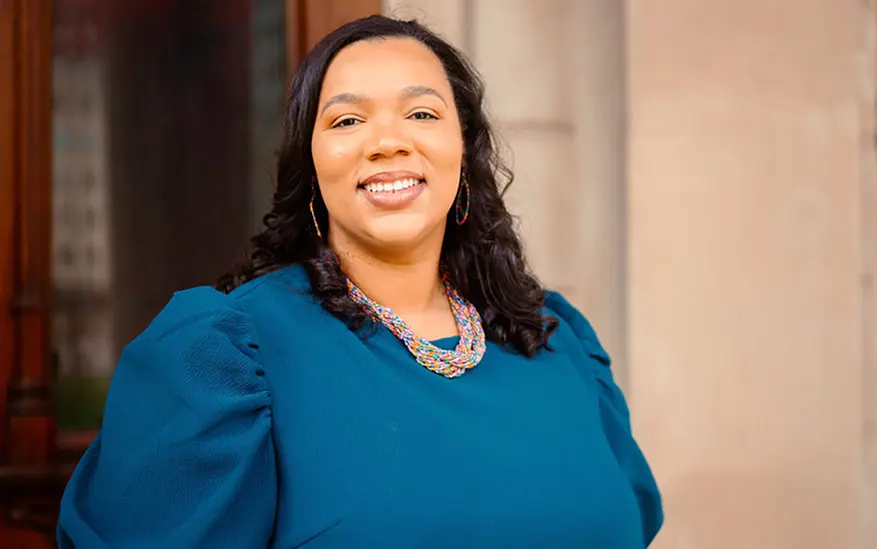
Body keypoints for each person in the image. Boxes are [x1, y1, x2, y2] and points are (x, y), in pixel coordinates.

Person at [57, 15, 662, 549]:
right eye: (347, 119)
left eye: (422, 113)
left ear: (463, 151)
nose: (388, 142)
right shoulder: (227, 359)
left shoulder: (556, 339)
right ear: (313, 167)